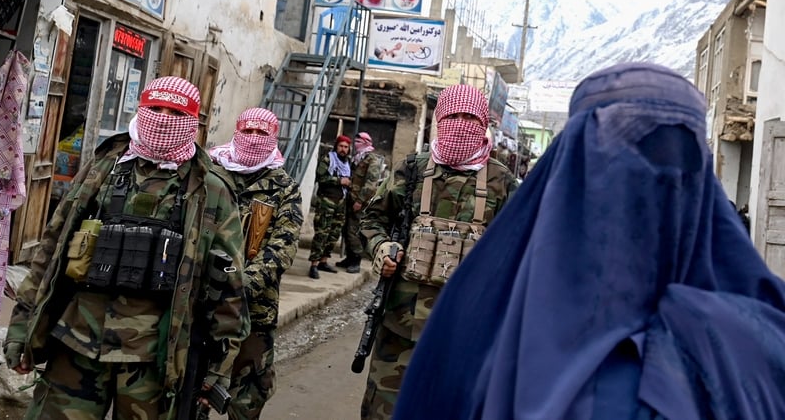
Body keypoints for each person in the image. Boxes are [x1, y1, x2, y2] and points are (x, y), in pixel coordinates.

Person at [393, 63, 785, 420]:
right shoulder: (760, 344)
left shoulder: (482, 321)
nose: (643, 189)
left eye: (671, 159)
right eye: (618, 163)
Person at [2, 76, 249, 419]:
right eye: (154, 109)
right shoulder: (105, 165)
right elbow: (51, 250)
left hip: (154, 358)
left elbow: (228, 286)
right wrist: (21, 329)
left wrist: (219, 368)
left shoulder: (210, 189)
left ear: (193, 121)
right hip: (76, 341)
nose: (162, 118)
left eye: (174, 112)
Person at [358, 84, 517, 419]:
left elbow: (523, 246)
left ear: (483, 122)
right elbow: (373, 218)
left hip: (466, 333)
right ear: (438, 118)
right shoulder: (413, 170)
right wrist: (382, 248)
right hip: (401, 327)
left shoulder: (502, 183)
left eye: (470, 117)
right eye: (453, 115)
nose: (460, 124)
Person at [209, 107, 304, 420]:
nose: (253, 138)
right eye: (247, 131)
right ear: (237, 131)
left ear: (273, 138)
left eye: (261, 133)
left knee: (250, 390)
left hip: (254, 308)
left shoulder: (283, 187)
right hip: (201, 301)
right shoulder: (212, 173)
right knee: (194, 381)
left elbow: (282, 247)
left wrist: (238, 288)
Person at [336, 132, 385, 274]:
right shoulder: (359, 158)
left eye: (359, 141)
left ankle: (356, 261)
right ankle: (349, 258)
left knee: (355, 231)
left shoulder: (372, 160)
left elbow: (371, 184)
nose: (356, 143)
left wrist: (360, 200)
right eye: (355, 140)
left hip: (360, 202)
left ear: (366, 142)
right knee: (346, 229)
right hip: (351, 199)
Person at [308, 135, 352, 279]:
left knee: (334, 234)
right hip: (326, 202)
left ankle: (323, 261)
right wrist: (339, 181)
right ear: (336, 146)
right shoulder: (328, 159)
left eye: (346, 147)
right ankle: (314, 264)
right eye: (341, 146)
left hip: (340, 203)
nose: (343, 149)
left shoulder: (348, 163)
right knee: (322, 233)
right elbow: (320, 177)